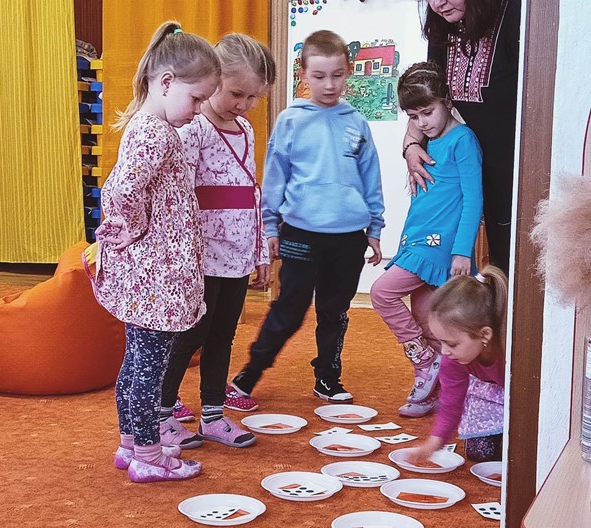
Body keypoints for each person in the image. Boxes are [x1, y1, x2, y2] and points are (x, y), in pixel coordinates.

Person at [84, 21, 220, 483]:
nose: (198, 111)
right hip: (155, 276)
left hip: (151, 272)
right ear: (166, 82)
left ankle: (131, 444)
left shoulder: (152, 128)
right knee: (149, 367)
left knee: (137, 361)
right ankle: (148, 454)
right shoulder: (155, 133)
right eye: (196, 99)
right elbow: (120, 190)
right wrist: (132, 226)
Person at [229, 29, 385, 406]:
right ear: (303, 75)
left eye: (337, 75)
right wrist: (269, 227)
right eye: (319, 76)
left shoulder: (357, 123)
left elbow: (371, 178)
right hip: (300, 234)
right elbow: (275, 177)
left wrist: (375, 228)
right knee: (290, 309)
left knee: (335, 311)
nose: (329, 84)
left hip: (350, 237)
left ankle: (328, 378)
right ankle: (249, 375)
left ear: (348, 72)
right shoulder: (291, 120)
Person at [157, 33, 276, 450]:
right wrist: (182, 257)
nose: (244, 105)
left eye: (254, 97)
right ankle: (162, 413)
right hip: (202, 258)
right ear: (213, 80)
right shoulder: (194, 129)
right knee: (190, 336)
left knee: (224, 335)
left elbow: (251, 194)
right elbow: (182, 195)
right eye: (237, 93)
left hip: (237, 257)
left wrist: (259, 252)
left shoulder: (246, 130)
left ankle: (213, 415)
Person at [371, 61, 483, 418]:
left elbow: (473, 199)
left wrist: (462, 250)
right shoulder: (426, 142)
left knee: (381, 292)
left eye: (427, 112)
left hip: (439, 246)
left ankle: (424, 361)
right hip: (417, 239)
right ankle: (440, 392)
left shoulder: (462, 140)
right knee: (426, 317)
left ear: (447, 101)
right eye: (413, 116)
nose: (422, 122)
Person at [405, 0, 521, 275]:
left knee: (510, 260)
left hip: (513, 170)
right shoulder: (442, 29)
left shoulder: (515, 12)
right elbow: (427, 95)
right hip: (463, 163)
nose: (438, 4)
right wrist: (411, 144)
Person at [408, 265, 507, 463]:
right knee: (480, 452)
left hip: (520, 399)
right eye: (440, 342)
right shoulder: (453, 358)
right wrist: (434, 442)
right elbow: (450, 403)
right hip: (488, 396)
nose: (444, 351)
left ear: (485, 335)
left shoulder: (512, 353)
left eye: (451, 344)